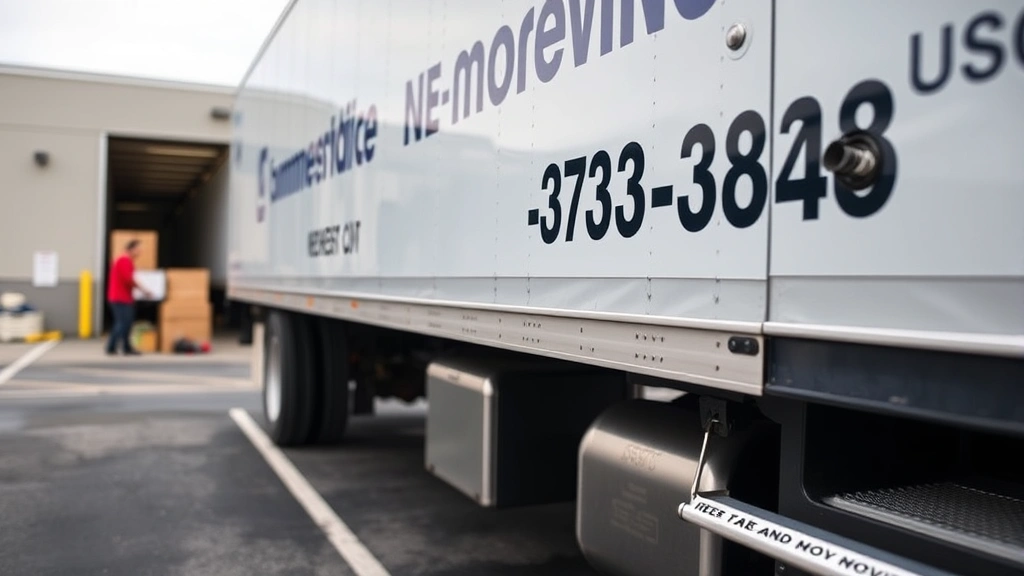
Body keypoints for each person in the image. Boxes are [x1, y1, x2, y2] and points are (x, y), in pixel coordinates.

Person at [106, 239, 152, 355]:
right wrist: (144, 290)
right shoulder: (124, 260)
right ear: (131, 249)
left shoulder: (123, 260)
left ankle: (123, 347)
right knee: (123, 323)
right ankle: (113, 347)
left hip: (122, 297)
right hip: (120, 298)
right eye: (138, 249)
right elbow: (128, 279)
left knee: (125, 323)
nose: (140, 252)